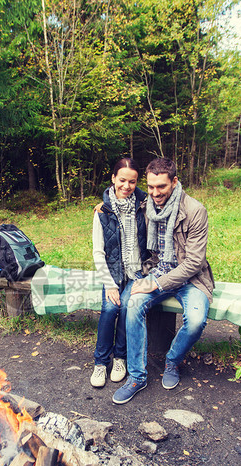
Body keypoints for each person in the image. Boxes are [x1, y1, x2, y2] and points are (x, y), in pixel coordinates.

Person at [112, 157, 214, 405]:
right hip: (158, 269)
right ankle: (137, 376)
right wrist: (102, 205)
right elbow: (119, 201)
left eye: (161, 187)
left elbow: (194, 263)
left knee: (196, 321)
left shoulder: (194, 211)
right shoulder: (148, 206)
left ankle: (172, 361)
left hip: (191, 279)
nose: (155, 193)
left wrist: (155, 284)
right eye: (150, 187)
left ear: (175, 182)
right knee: (134, 304)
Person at [90, 158, 151, 388]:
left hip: (137, 273)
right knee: (110, 307)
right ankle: (100, 362)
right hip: (113, 275)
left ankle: (120, 358)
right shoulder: (102, 212)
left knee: (127, 306)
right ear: (113, 178)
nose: (126, 186)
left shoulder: (144, 205)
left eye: (132, 182)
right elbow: (98, 253)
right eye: (122, 180)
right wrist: (110, 285)